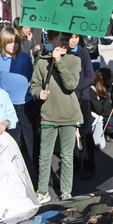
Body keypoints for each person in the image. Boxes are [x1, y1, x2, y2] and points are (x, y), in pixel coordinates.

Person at [30, 31, 83, 202]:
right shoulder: (42, 62)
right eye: (60, 39)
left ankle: (66, 191)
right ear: (51, 40)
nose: (64, 43)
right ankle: (42, 191)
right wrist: (39, 93)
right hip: (48, 115)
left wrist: (59, 62)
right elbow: (34, 85)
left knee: (67, 155)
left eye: (67, 40)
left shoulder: (74, 60)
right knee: (45, 156)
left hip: (69, 115)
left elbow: (71, 84)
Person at [0, 27, 37, 181]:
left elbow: (32, 77)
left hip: (26, 103)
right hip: (8, 106)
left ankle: (37, 174)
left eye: (16, 42)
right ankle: (16, 176)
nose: (13, 45)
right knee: (13, 142)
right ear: (3, 43)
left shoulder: (24, 57)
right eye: (9, 42)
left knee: (31, 141)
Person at [68, 33, 97, 179]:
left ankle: (89, 164)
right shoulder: (62, 53)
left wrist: (77, 87)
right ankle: (74, 163)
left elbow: (90, 75)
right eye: (70, 37)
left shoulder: (83, 53)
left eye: (75, 37)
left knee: (86, 132)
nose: (72, 41)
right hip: (67, 99)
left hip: (83, 98)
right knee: (70, 132)